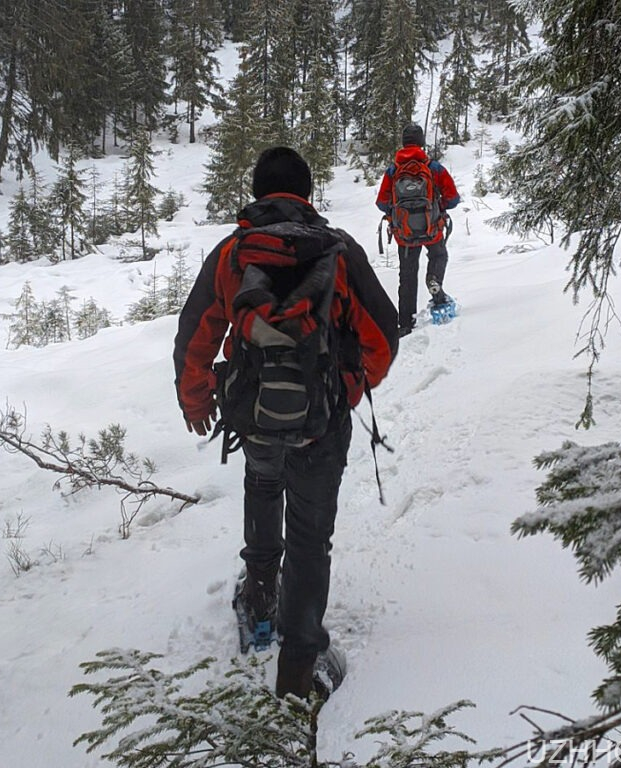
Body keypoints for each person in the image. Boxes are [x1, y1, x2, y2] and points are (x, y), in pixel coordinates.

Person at [174, 147, 398, 699]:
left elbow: (194, 338)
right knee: (309, 537)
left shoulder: (232, 253)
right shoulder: (339, 251)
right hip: (322, 419)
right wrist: (345, 388)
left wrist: (198, 403)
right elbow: (384, 337)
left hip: (254, 414)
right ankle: (299, 673)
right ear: (308, 193)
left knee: (263, 481)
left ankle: (257, 599)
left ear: (256, 194)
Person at [376, 123, 461, 336]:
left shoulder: (393, 170)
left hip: (404, 234)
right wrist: (438, 207)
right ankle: (434, 282)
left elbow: (381, 202)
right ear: (422, 142)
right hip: (432, 229)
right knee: (439, 255)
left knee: (407, 275)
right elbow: (453, 198)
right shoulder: (433, 167)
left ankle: (405, 323)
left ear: (403, 143)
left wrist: (397, 213)